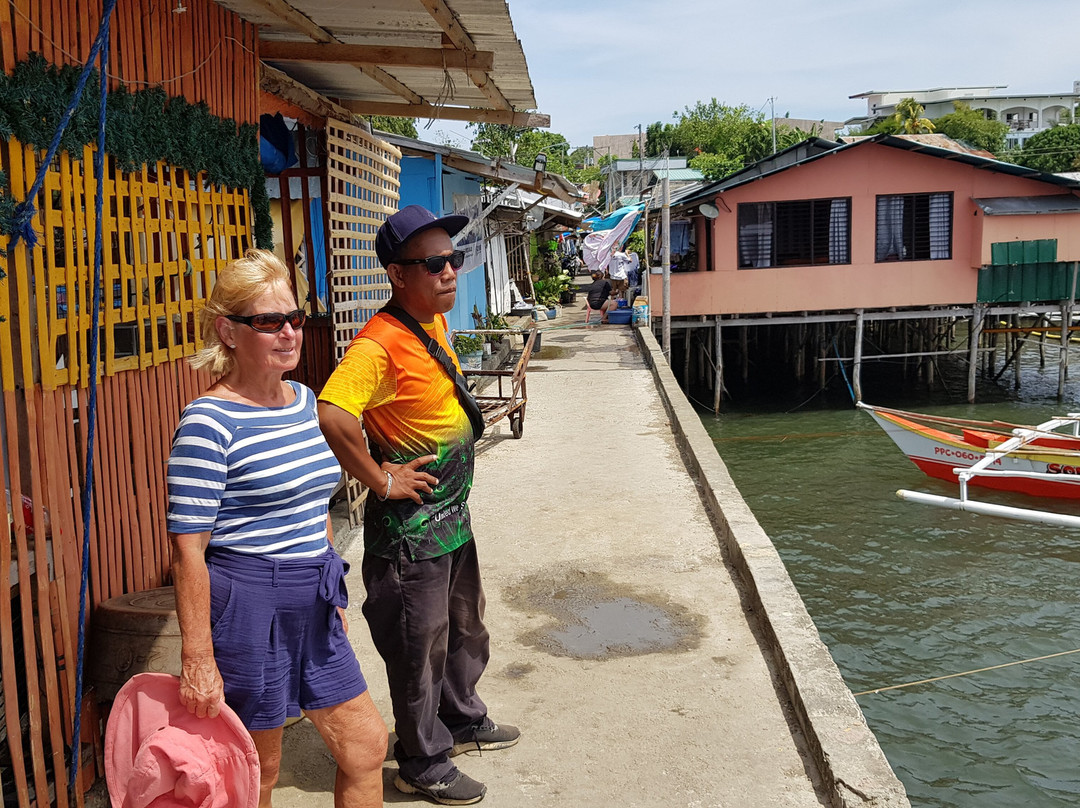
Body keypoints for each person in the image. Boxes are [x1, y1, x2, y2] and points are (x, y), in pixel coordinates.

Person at [167, 250, 387, 808]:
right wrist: (198, 658)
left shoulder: (304, 402)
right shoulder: (207, 423)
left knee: (365, 748)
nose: (289, 332)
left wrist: (331, 583)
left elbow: (317, 508)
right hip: (246, 602)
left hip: (312, 597)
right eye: (269, 322)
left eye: (294, 318)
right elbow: (189, 550)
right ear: (229, 331)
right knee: (255, 769)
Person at [318, 205, 519, 806]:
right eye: (434, 264)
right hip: (410, 533)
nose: (450, 272)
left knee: (465, 629)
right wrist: (381, 480)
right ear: (397, 274)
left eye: (454, 259)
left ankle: (459, 718)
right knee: (417, 647)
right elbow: (333, 414)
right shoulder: (378, 344)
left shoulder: (431, 325)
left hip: (451, 522)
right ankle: (421, 761)